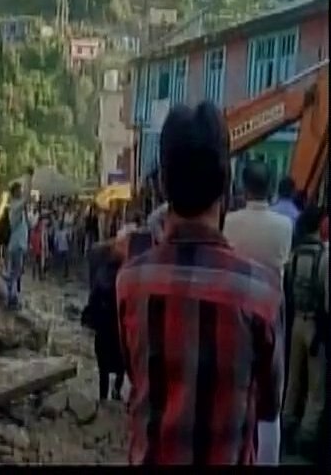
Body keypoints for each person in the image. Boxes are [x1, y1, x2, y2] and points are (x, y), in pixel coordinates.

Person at [116, 102, 284, 465]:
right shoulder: (262, 293)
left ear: (162, 183)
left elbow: (136, 374)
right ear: (226, 182)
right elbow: (270, 408)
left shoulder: (131, 282)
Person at [282, 205, 328, 460]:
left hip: (295, 322)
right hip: (315, 328)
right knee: (316, 388)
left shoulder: (296, 254)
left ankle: (287, 425)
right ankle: (307, 436)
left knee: (293, 381)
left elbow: (287, 287)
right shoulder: (324, 258)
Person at [224, 160, 293, 278]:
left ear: (244, 188)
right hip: (272, 294)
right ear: (270, 188)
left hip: (237, 292)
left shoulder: (228, 222)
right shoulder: (285, 224)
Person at [82, 243, 124, 401]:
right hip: (119, 328)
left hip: (103, 328)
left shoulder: (100, 276)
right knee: (121, 365)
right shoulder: (124, 277)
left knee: (103, 368)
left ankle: (103, 397)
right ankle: (117, 391)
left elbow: (92, 300)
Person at [6, 168, 34, 309]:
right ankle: (11, 297)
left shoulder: (15, 207)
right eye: (19, 190)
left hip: (18, 244)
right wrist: (28, 178)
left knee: (16, 272)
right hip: (16, 245)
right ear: (14, 192)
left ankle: (12, 296)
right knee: (15, 272)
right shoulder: (15, 207)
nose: (21, 191)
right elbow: (26, 198)